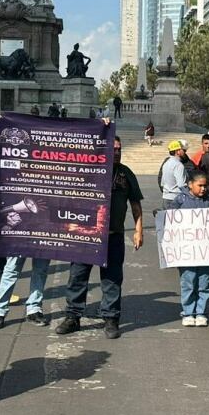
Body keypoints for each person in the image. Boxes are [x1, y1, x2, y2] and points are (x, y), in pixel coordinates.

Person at [56, 135, 143, 339]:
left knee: (112, 279)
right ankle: (73, 316)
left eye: (119, 149)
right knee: (77, 277)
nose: (117, 152)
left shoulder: (126, 173)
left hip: (113, 237)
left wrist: (139, 230)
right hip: (86, 237)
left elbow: (135, 205)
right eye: (113, 149)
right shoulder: (87, 171)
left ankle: (111, 318)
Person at [169, 170, 209, 326]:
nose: (203, 189)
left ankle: (202, 312)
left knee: (205, 282)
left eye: (205, 186)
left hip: (205, 251)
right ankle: (188, 312)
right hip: (186, 252)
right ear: (190, 184)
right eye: (200, 185)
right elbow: (170, 218)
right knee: (188, 282)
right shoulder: (180, 200)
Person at [159, 139, 189, 210]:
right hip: (176, 198)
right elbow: (181, 185)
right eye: (183, 150)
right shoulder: (178, 165)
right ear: (178, 151)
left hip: (166, 197)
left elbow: (162, 183)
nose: (185, 152)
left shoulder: (166, 163)